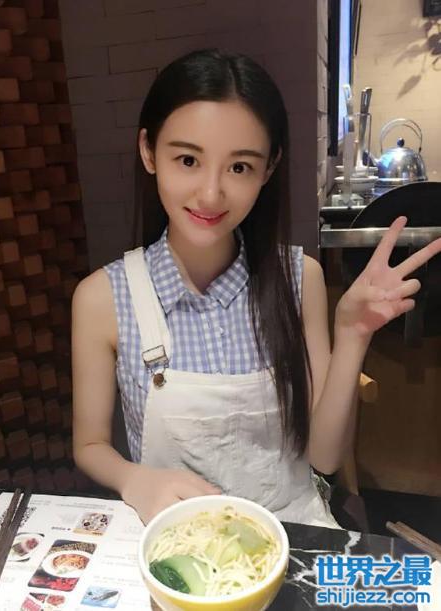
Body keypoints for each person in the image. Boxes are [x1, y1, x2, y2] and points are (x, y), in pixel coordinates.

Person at [71, 49, 441, 528]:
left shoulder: (298, 278)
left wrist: (353, 334)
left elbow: (324, 457)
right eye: (188, 159)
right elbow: (90, 445)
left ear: (269, 168)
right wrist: (133, 479)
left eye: (240, 167)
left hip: (291, 529)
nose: (210, 194)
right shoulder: (102, 297)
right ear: (149, 152)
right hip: (176, 539)